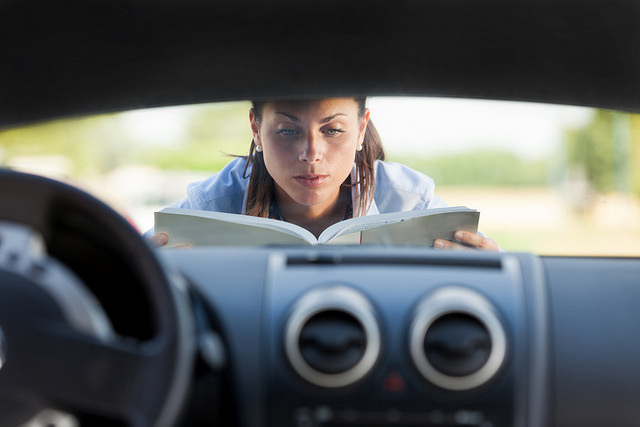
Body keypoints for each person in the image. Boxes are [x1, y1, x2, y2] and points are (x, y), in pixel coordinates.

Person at [150, 97, 498, 251]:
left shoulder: (410, 201)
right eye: (288, 131)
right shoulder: (208, 206)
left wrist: (488, 270)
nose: (311, 155)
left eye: (333, 131)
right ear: (256, 129)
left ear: (362, 129)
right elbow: (124, 265)